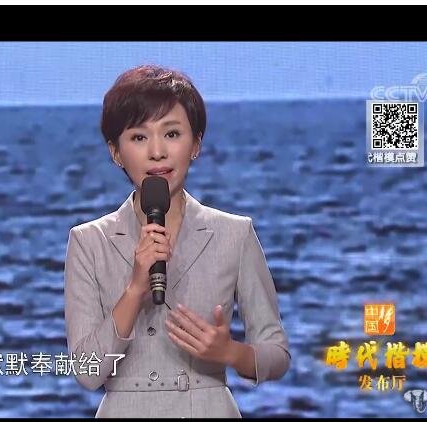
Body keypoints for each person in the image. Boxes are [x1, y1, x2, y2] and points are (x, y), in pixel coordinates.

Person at [64, 64, 290, 418]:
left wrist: (230, 353)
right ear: (116, 152)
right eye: (139, 137)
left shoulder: (234, 233)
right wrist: (134, 290)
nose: (157, 152)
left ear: (195, 143)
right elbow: (86, 372)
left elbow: (277, 354)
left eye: (171, 134)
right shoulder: (89, 241)